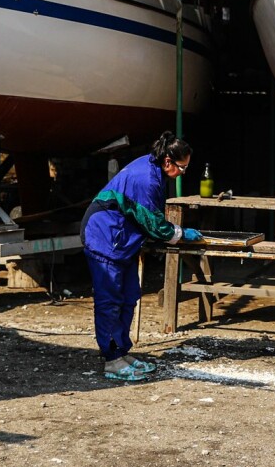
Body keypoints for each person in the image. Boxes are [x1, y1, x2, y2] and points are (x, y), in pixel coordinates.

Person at [81, 131, 204, 382]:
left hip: (120, 238)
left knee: (129, 296)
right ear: (168, 161)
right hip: (104, 236)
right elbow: (155, 225)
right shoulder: (146, 179)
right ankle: (111, 359)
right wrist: (181, 233)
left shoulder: (152, 167)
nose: (183, 173)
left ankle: (121, 352)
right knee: (110, 299)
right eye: (182, 168)